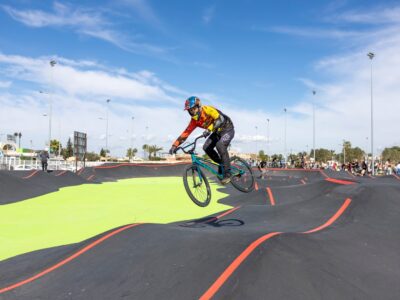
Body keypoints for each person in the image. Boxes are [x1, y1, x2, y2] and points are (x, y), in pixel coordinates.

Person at [169, 96, 235, 184]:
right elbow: (186, 133)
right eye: (190, 110)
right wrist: (174, 145)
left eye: (193, 109)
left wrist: (209, 129)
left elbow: (220, 119)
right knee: (206, 147)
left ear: (198, 106)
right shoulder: (194, 121)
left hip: (227, 128)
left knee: (220, 145)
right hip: (216, 132)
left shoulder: (207, 109)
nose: (192, 112)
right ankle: (221, 164)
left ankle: (228, 173)